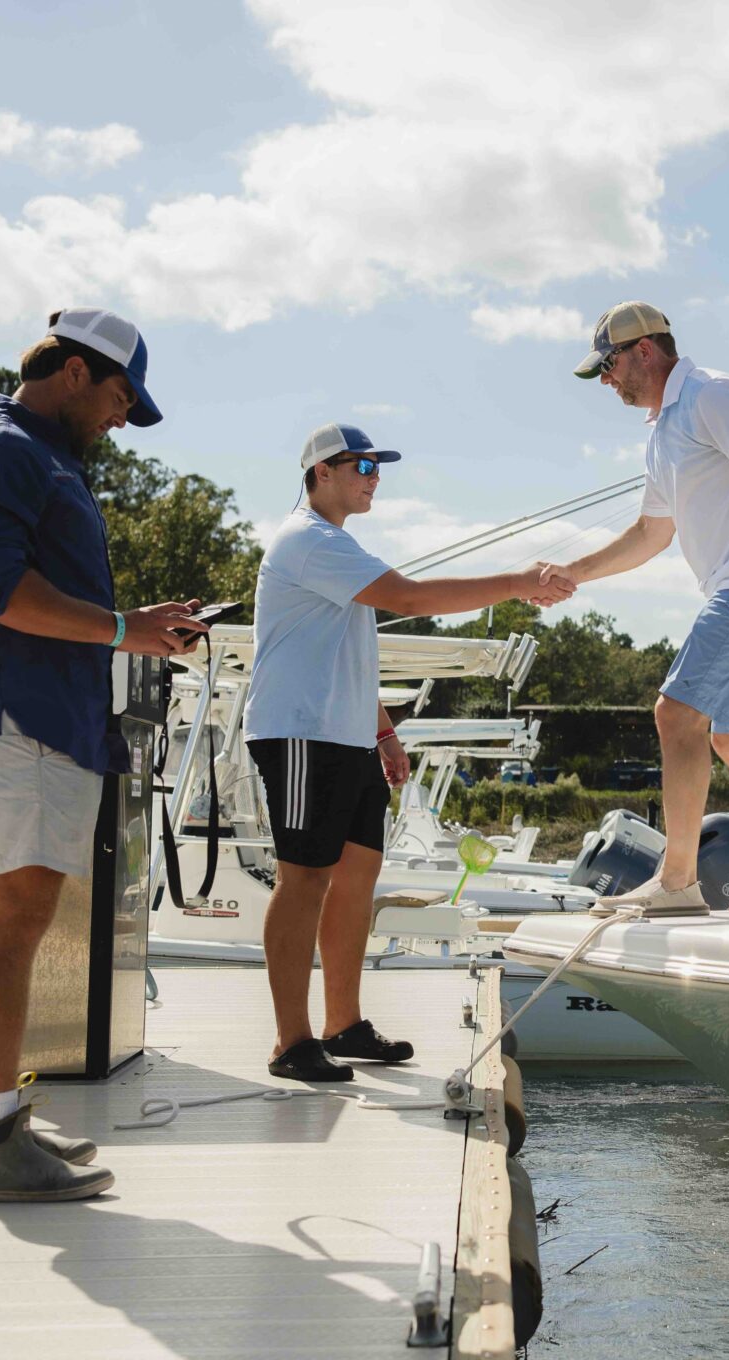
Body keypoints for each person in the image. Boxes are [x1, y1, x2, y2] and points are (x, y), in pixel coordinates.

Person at [0, 307, 203, 1202]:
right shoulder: (2, 449)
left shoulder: (37, 455)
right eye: (124, 396)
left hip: (37, 719)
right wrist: (128, 630)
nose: (124, 417)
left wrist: (132, 628)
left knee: (12, 916)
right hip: (12, 718)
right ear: (76, 373)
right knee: (10, 919)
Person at [243, 422, 574, 1081]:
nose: (373, 475)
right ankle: (291, 1041)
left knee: (358, 877)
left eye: (377, 465)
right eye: (360, 464)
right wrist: (517, 582)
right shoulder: (308, 539)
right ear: (321, 473)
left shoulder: (337, 545)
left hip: (344, 735)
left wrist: (384, 732)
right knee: (303, 880)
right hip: (302, 732)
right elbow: (413, 599)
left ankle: (343, 1025)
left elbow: (342, 655)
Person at [542, 302, 729, 916]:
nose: (605, 379)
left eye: (610, 364)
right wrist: (577, 572)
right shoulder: (660, 432)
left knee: (676, 716)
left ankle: (676, 883)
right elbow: (651, 534)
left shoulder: (709, 394)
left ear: (645, 350)